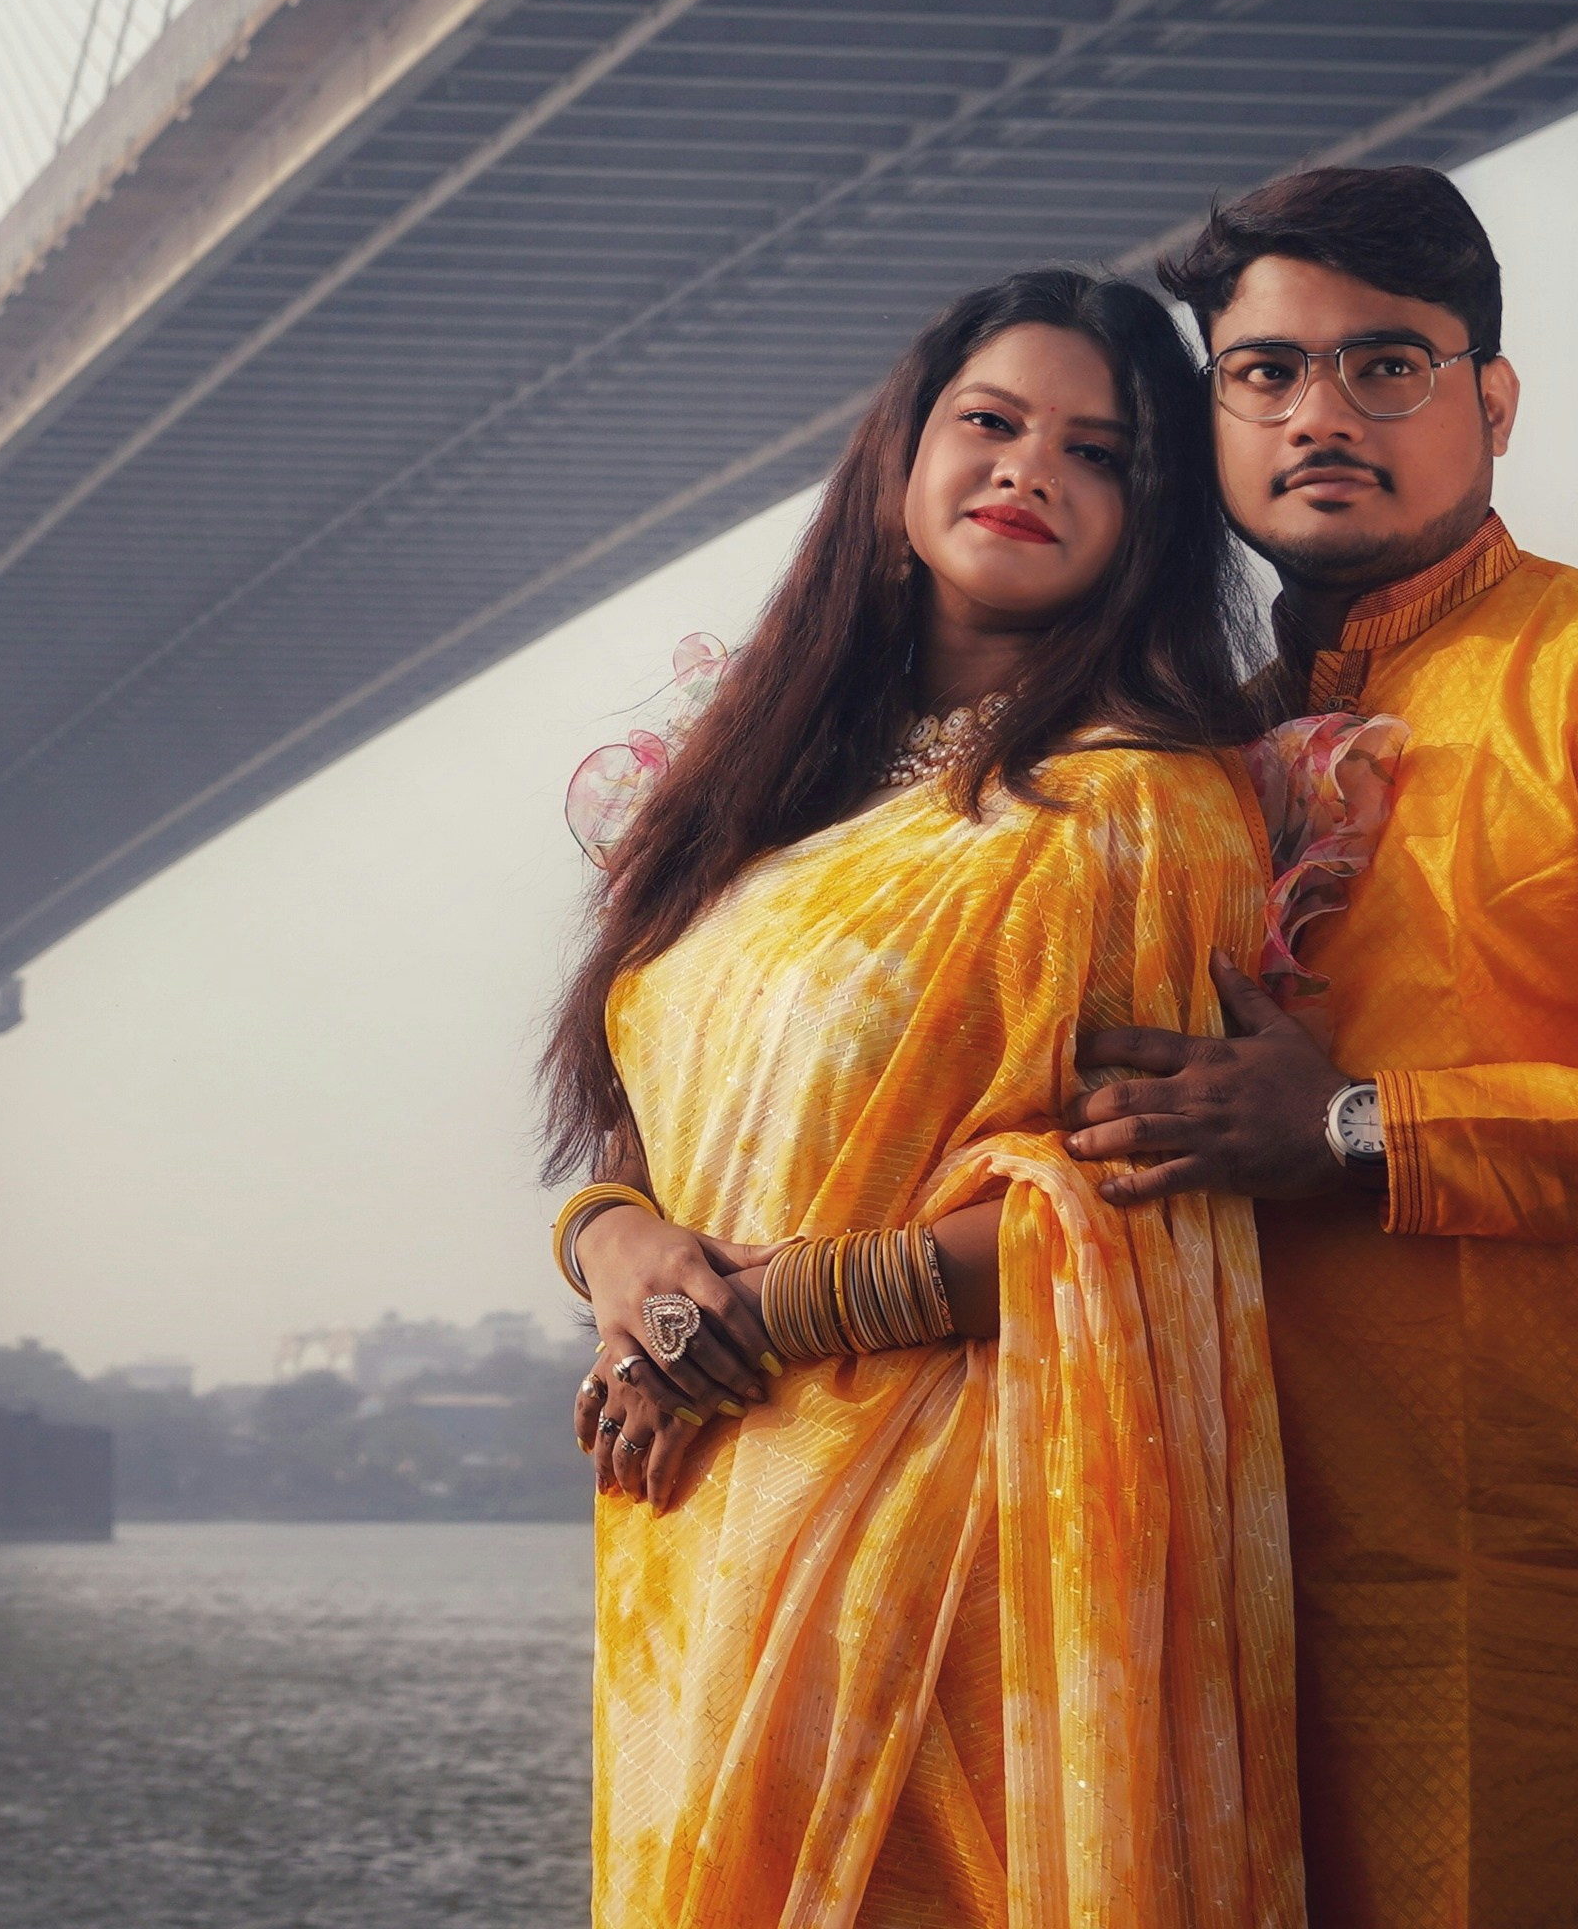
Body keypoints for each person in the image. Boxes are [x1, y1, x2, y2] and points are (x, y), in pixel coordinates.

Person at [1064, 165, 1578, 1929]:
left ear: (1492, 402)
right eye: (1264, 374)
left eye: (1389, 367)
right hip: (1209, 1601)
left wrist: (1358, 1129)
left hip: (1553, 1619)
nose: (1320, 416)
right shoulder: (1182, 746)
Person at [548, 267, 1315, 1929]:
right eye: (993, 421)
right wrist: (614, 1256)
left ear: (1151, 519)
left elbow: (1147, 1209)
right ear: (901, 460)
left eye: (1099, 454)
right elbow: (649, 1126)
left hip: (953, 1545)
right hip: (705, 1530)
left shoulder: (1137, 811)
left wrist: (778, 1309)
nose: (1031, 469)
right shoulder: (752, 788)